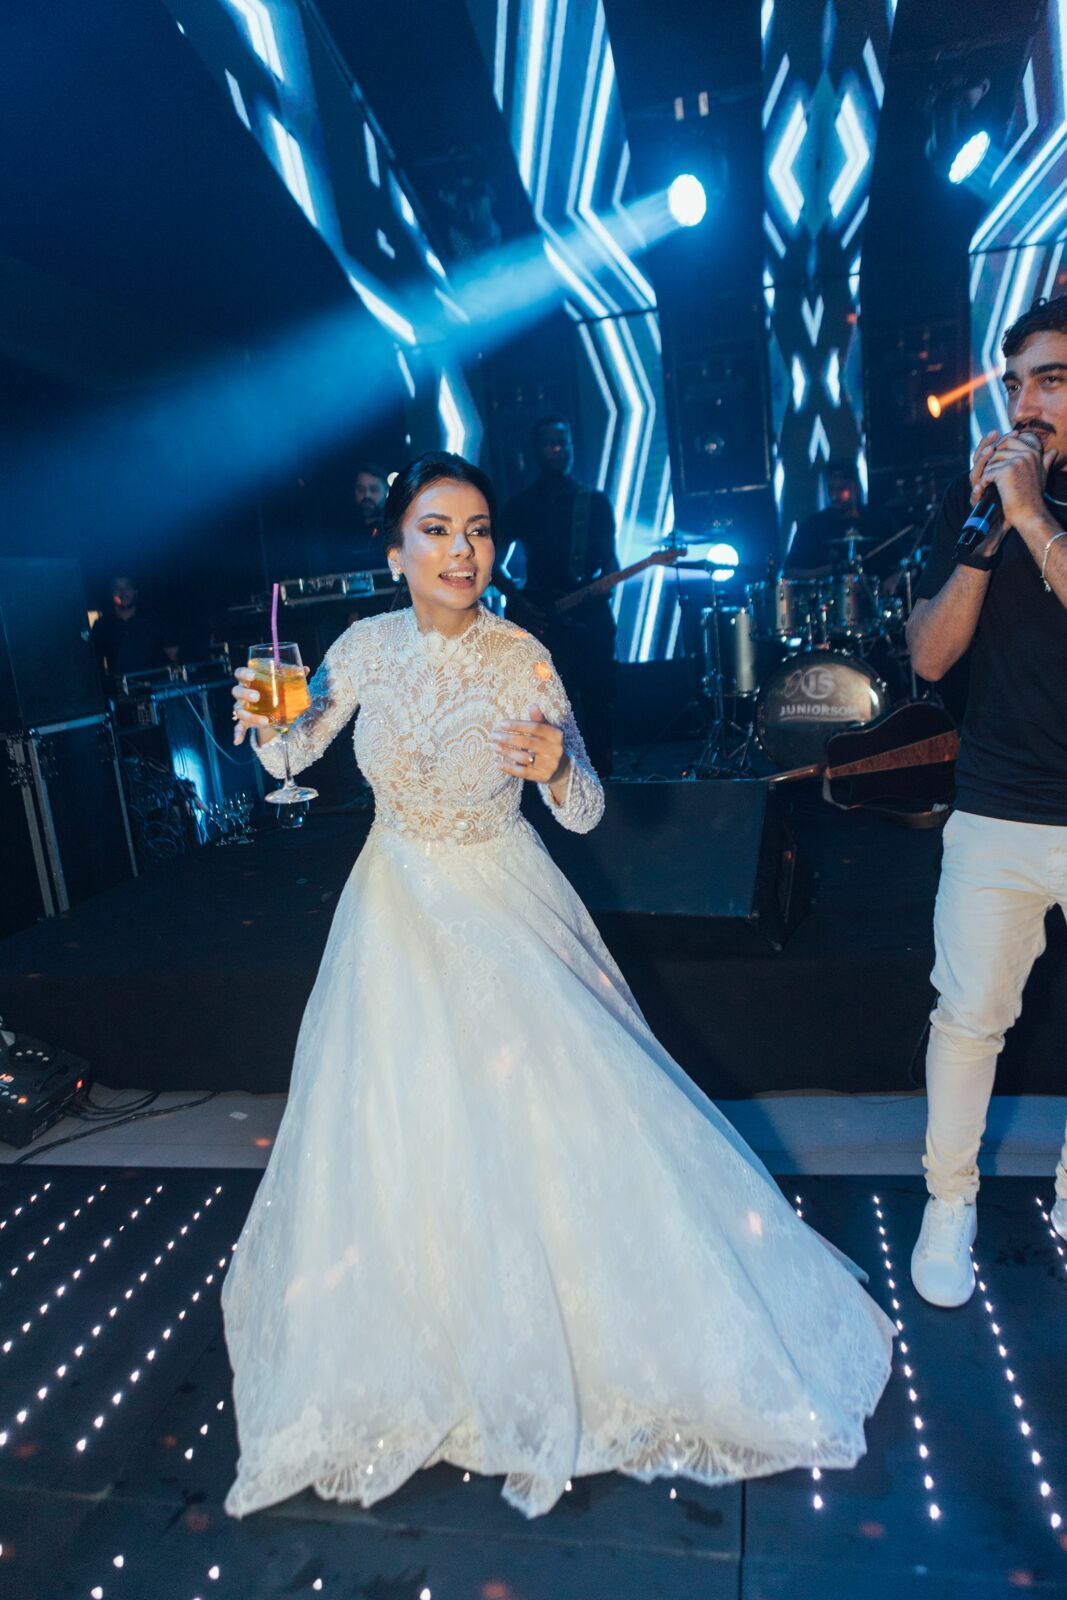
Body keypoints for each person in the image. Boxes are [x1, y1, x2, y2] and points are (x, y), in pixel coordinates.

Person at [220, 450, 893, 1521]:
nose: (461, 550)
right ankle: (426, 1337)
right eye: (436, 530)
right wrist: (260, 719)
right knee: (401, 1126)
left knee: (548, 1119)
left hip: (503, 902)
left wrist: (549, 768)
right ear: (395, 549)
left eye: (478, 530)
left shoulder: (522, 654)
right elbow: (292, 758)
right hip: (393, 904)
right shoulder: (357, 647)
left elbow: (580, 807)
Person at [906, 294, 1067, 1310]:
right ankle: (944, 1202)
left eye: (1048, 379)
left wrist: (1031, 519)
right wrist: (979, 538)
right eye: (1014, 384)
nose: (1023, 403)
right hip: (998, 806)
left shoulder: (1027, 507)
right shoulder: (988, 505)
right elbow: (927, 654)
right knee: (965, 1018)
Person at [497, 417, 618, 775]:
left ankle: (604, 778)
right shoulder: (520, 505)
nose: (558, 450)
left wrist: (600, 586)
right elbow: (490, 563)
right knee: (550, 703)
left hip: (589, 616)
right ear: (536, 450)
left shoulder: (593, 502)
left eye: (563, 443)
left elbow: (611, 562)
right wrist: (519, 600)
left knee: (599, 697)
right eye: (550, 443)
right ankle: (555, 776)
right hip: (541, 618)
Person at [91, 574, 179, 686]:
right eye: (117, 588)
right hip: (122, 693)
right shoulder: (102, 626)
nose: (122, 592)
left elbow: (173, 654)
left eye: (127, 587)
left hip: (156, 689)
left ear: (135, 592)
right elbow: (95, 663)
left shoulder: (153, 620)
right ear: (111, 594)